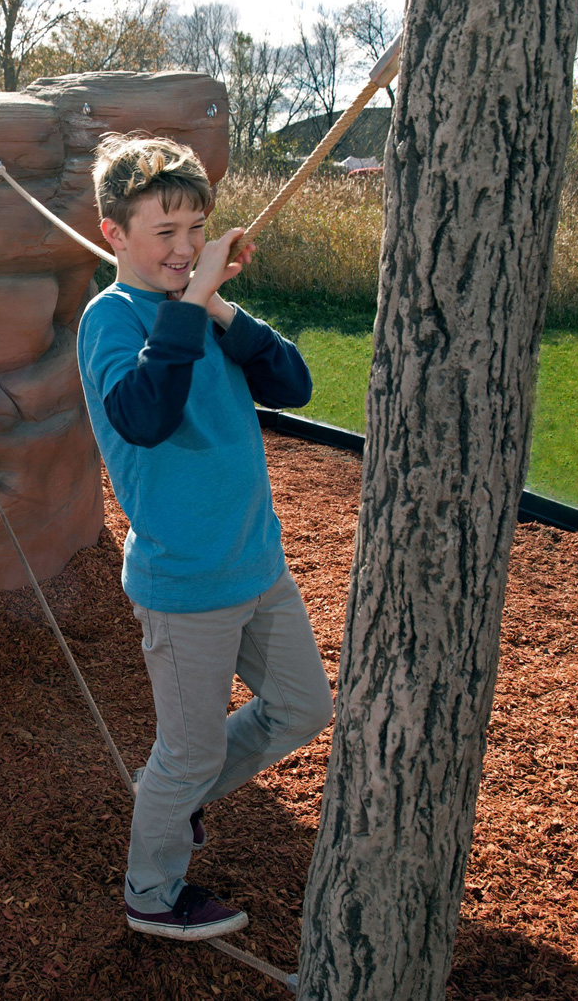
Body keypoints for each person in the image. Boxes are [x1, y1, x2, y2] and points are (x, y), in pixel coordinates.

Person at [76, 133, 334, 942]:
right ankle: (151, 892)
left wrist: (221, 307)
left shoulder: (208, 312)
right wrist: (190, 308)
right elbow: (145, 416)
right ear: (115, 233)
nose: (187, 248)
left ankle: (176, 799)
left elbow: (294, 383)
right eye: (166, 233)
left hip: (258, 564)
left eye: (198, 229)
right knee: (184, 753)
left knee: (301, 706)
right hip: (185, 581)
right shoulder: (111, 320)